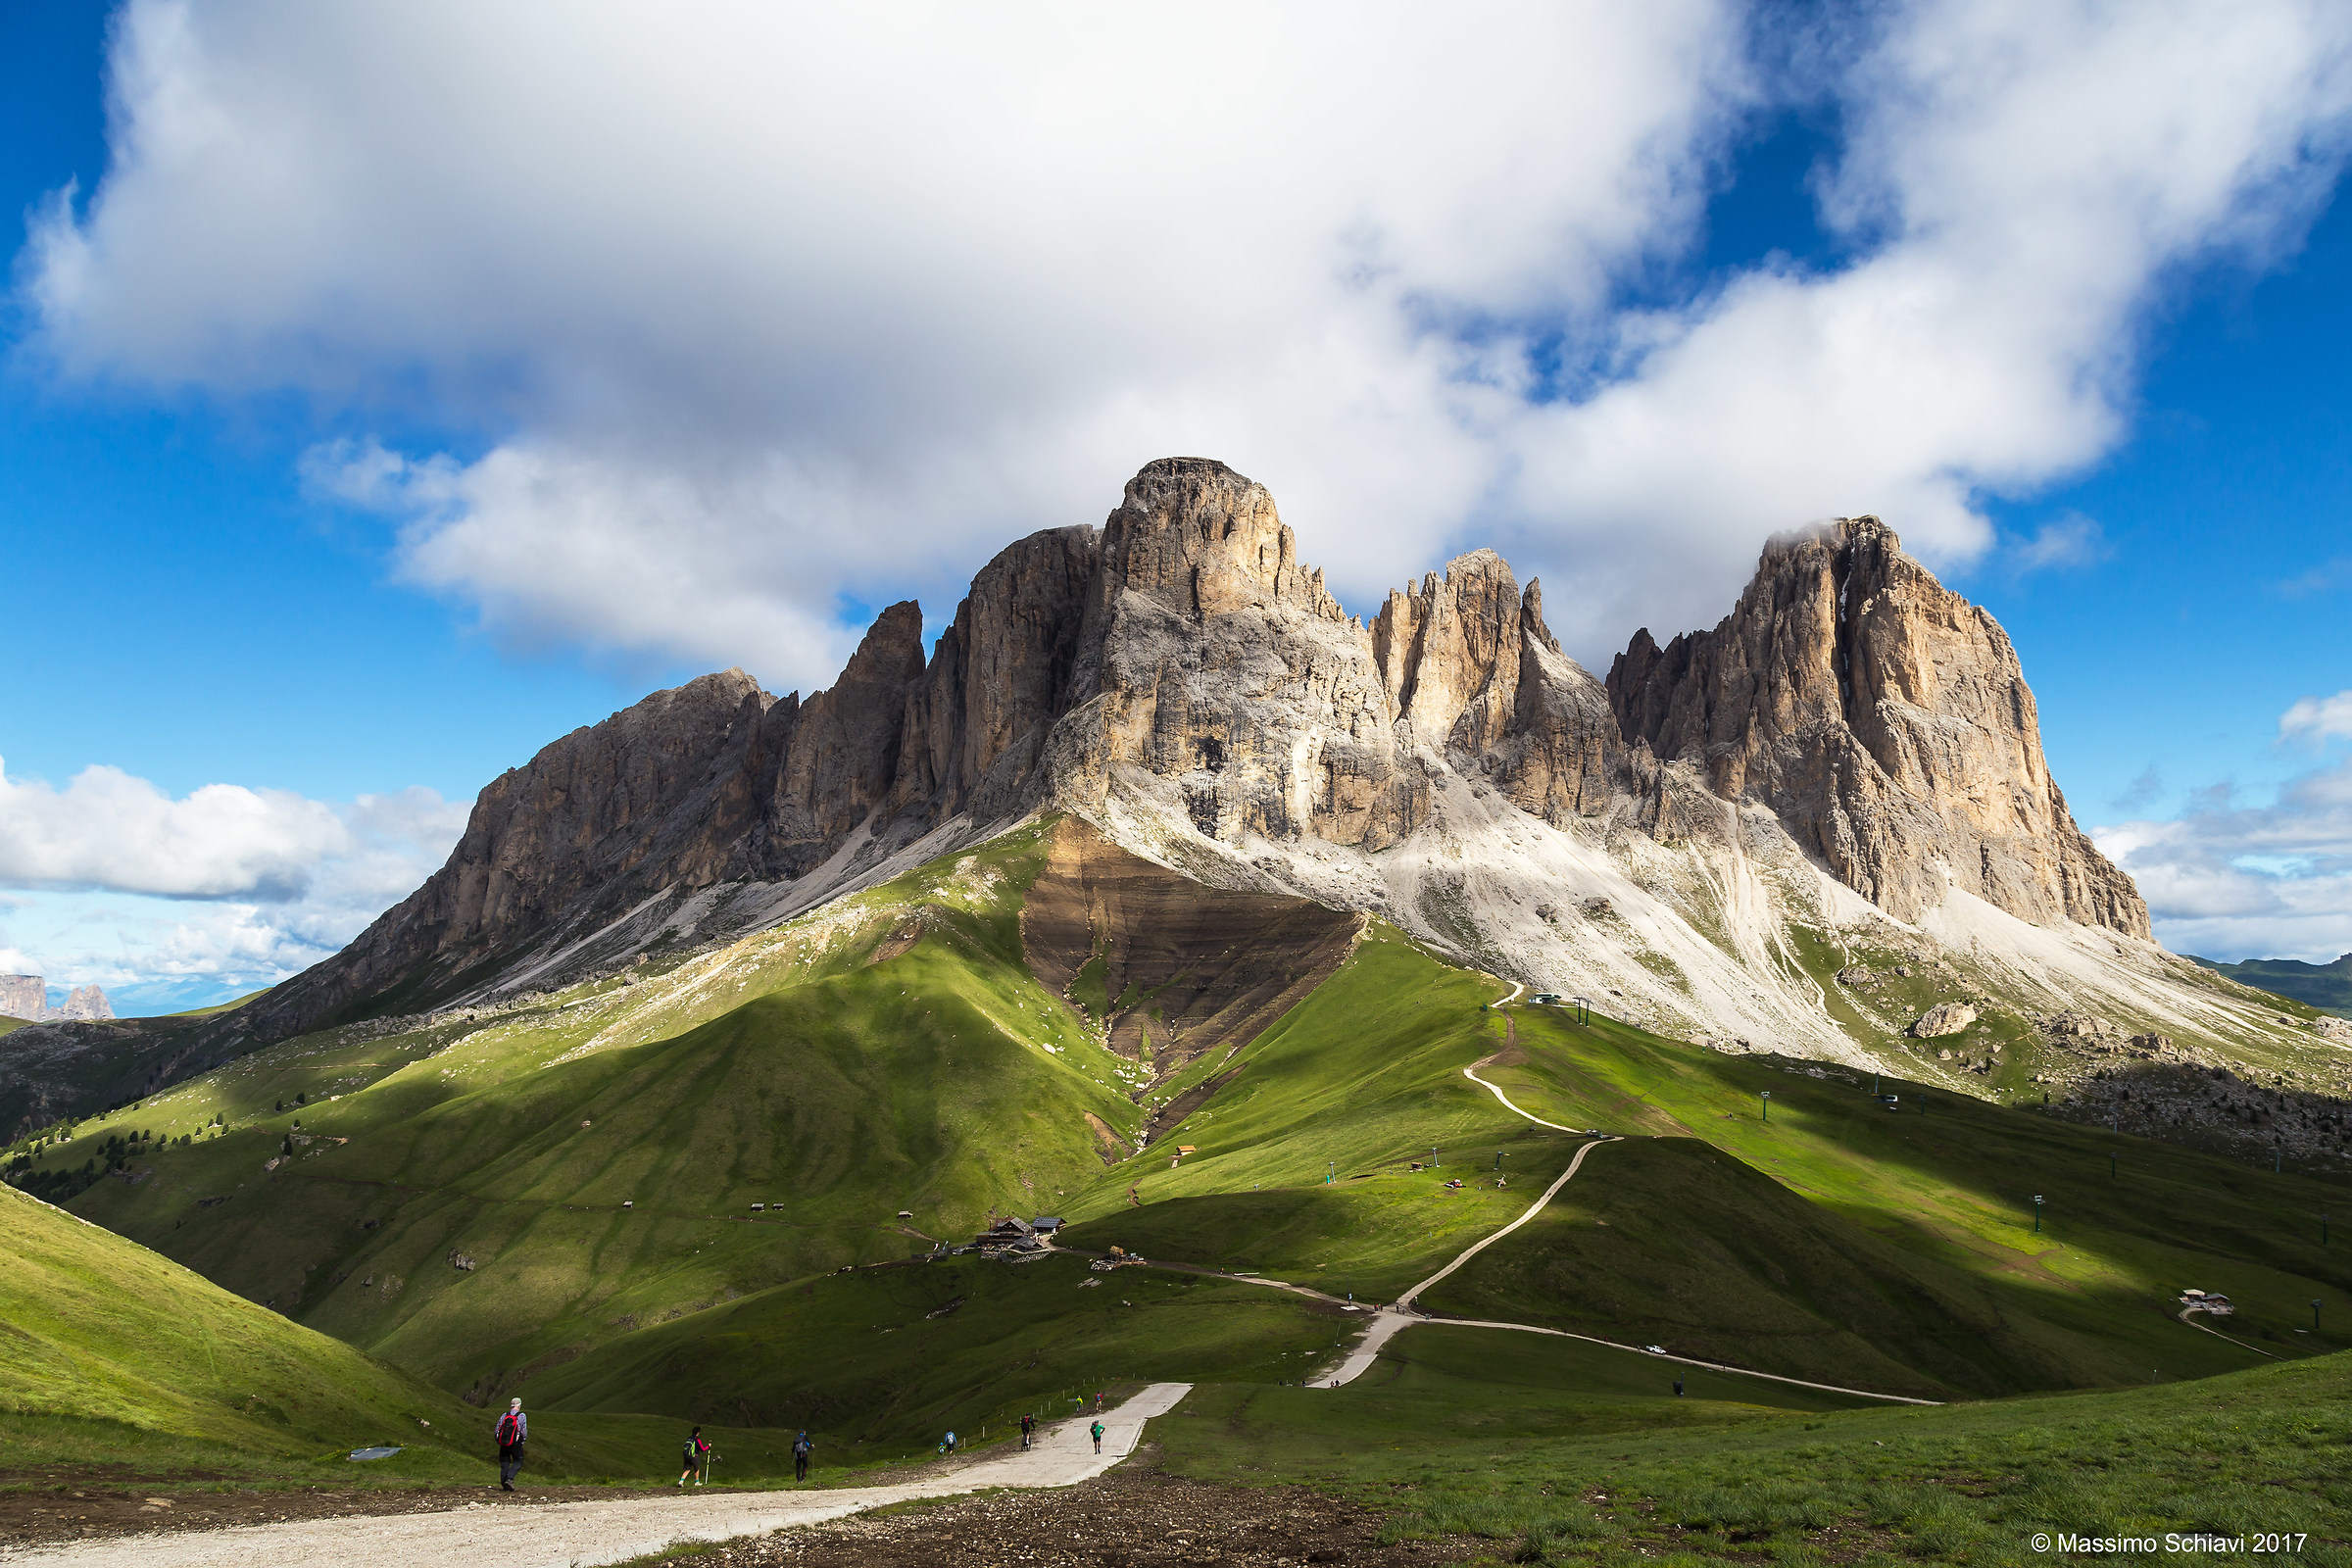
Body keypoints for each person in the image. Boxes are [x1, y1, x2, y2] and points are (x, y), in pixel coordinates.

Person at [494, 1398, 527, 1491]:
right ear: (519, 1405)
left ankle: (504, 1484)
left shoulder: (504, 1415)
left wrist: (498, 1440)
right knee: (518, 1461)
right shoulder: (521, 1416)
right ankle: (509, 1479)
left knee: (504, 1462)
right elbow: (523, 1431)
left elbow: (497, 1429)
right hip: (516, 1443)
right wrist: (522, 1441)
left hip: (504, 1442)